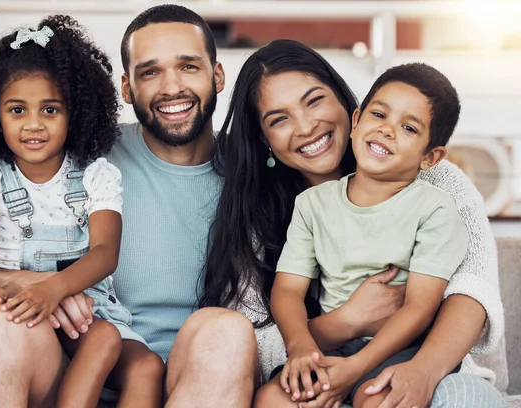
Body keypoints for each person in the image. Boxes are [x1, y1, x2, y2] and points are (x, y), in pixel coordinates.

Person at [0, 6, 257, 408]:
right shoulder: (81, 155)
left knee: (227, 332)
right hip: (67, 369)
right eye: (150, 72)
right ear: (126, 88)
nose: (172, 87)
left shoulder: (254, 178)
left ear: (218, 75)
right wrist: (47, 289)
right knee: (1, 325)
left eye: (188, 66)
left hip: (193, 382)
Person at [203, 39, 505, 408]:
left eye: (314, 101)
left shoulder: (436, 188)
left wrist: (421, 370)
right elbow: (258, 342)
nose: (306, 126)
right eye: (279, 119)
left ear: (347, 105)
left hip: (418, 358)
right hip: (324, 360)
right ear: (263, 139)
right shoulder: (293, 207)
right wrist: (350, 321)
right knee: (273, 398)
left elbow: (471, 292)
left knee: (384, 397)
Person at [0, 15, 164, 408]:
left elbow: (104, 253)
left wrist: (55, 289)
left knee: (135, 359)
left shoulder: (95, 175)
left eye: (49, 110)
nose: (33, 125)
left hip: (82, 300)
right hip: (20, 305)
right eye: (17, 110)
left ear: (73, 113)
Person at [272, 62, 468, 408]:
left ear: (430, 157)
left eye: (409, 127)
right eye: (379, 115)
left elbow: (420, 308)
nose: (387, 130)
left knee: (375, 398)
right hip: (329, 348)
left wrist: (356, 368)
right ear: (357, 120)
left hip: (404, 348)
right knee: (273, 399)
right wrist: (300, 346)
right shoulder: (312, 204)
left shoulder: (435, 209)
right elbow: (288, 289)